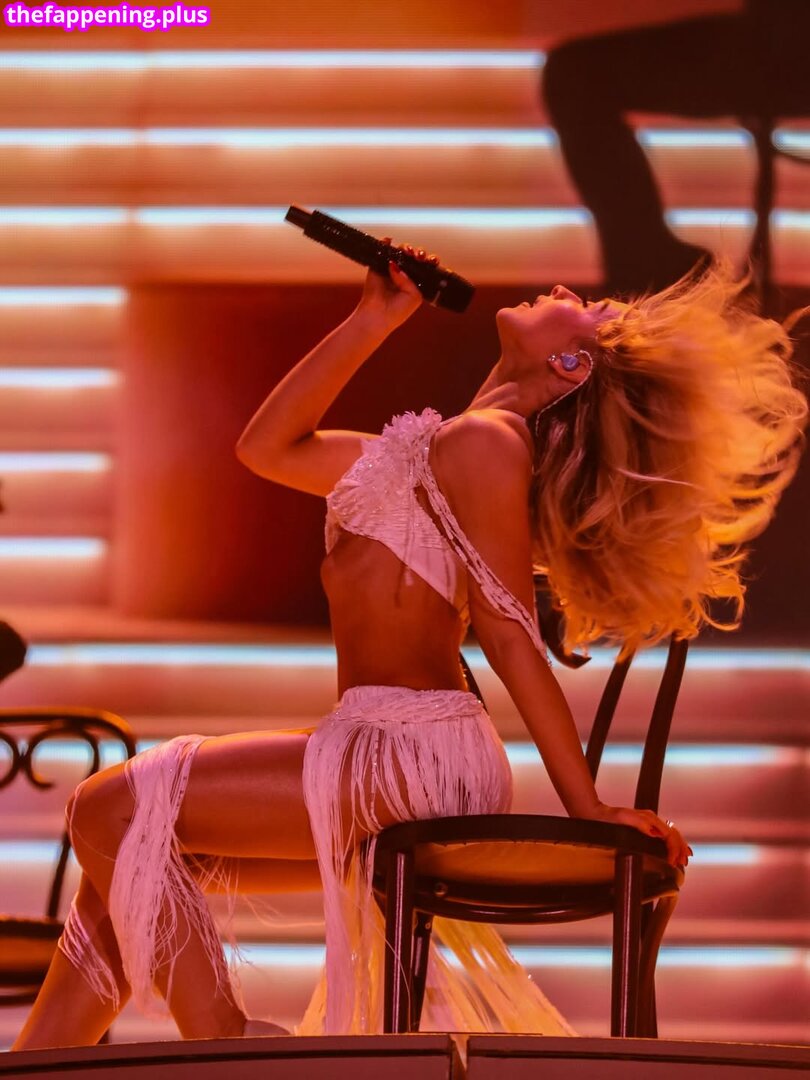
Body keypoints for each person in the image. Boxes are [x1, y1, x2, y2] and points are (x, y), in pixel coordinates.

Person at [13, 248, 806, 1049]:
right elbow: (267, 447)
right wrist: (372, 319)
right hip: (378, 743)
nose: (568, 288)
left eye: (589, 310)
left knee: (108, 807)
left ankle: (224, 1040)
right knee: (131, 870)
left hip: (412, 751)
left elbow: (508, 633)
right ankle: (37, 1065)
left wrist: (587, 807)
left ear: (570, 365)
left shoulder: (488, 443)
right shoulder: (424, 451)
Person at [543, 0, 810, 295]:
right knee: (573, 73)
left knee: (574, 74)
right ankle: (649, 261)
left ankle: (649, 264)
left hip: (787, 46)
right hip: (780, 40)